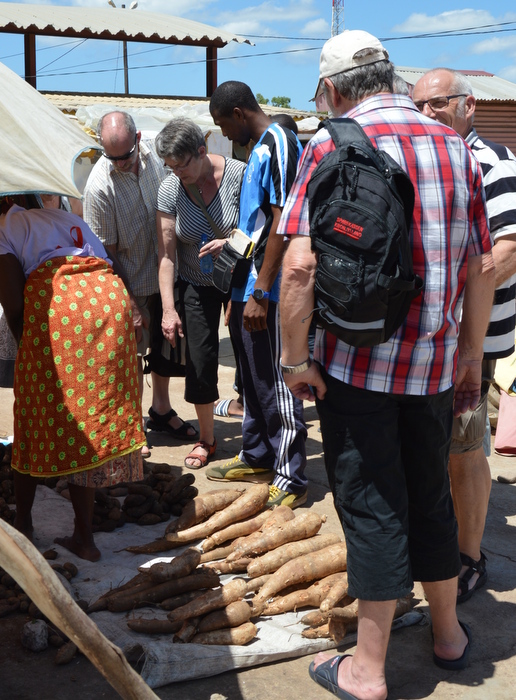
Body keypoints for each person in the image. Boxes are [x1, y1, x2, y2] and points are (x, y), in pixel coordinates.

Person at [277, 30, 495, 699]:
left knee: (373, 504)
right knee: (430, 495)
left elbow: (299, 266)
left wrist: (294, 360)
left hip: (356, 365)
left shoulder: (331, 143)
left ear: (331, 89)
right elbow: (482, 267)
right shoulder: (456, 147)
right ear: (390, 74)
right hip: (433, 368)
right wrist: (468, 357)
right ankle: (448, 634)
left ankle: (367, 669)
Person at [0, 196, 145, 562]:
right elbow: (107, 260)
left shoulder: (0, 232)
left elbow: (15, 308)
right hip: (109, 304)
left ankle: (25, 525)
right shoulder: (58, 216)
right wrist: (132, 306)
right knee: (86, 419)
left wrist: (30, 358)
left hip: (63, 311)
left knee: (31, 419)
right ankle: (84, 537)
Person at [413, 67, 516, 604]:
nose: (427, 113)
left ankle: (469, 556)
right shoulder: (427, 159)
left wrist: (449, 303)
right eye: (419, 106)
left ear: (468, 105)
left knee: (463, 446)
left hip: (472, 336)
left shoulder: (492, 162)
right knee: (434, 446)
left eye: (438, 103)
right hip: (431, 335)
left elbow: (508, 249)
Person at [206, 81, 308, 510]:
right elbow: (257, 225)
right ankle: (258, 454)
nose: (223, 134)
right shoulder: (257, 149)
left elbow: (285, 220)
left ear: (238, 113)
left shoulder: (279, 142)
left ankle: (291, 476)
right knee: (253, 378)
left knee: (279, 381)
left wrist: (262, 290)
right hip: (246, 280)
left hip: (271, 287)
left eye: (222, 124)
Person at [84, 111, 197, 459]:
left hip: (168, 272)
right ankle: (133, 425)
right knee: (131, 356)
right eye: (112, 157)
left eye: (125, 156)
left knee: (165, 351)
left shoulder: (157, 155)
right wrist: (130, 303)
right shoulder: (99, 186)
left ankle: (160, 410)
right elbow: (105, 253)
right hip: (129, 280)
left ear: (137, 139)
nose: (119, 163)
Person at [153, 118, 246, 468]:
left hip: (240, 279)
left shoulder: (239, 175)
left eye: (182, 165)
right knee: (201, 359)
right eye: (170, 167)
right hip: (196, 281)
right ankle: (207, 438)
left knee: (250, 355)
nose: (177, 173)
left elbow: (262, 228)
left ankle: (260, 434)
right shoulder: (170, 189)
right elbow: (166, 256)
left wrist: (230, 242)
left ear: (202, 151)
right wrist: (168, 309)